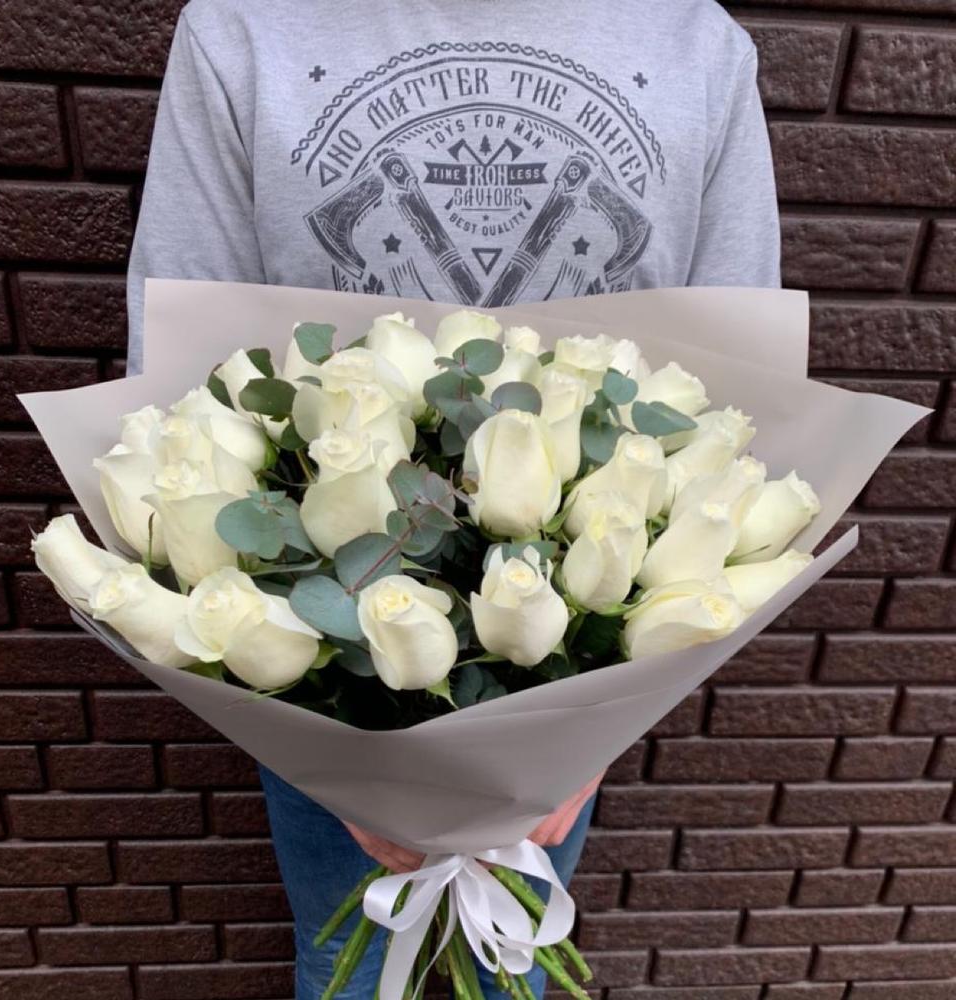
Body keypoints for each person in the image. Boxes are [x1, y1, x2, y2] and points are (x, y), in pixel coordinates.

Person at [127, 1, 780, 995]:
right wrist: (326, 747)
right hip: (316, 644)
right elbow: (182, 387)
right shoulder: (243, 31)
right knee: (345, 962)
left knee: (510, 961)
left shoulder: (696, 45)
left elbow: (732, 402)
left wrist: (596, 722)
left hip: (573, 651)